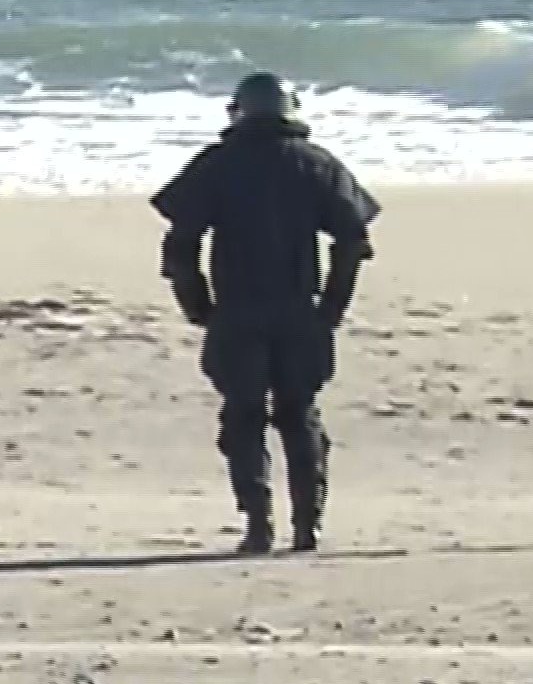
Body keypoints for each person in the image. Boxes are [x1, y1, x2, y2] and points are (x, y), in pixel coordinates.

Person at [151, 72, 382, 555]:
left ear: (239, 111)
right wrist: (332, 309)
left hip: (236, 313)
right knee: (300, 414)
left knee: (243, 415)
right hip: (301, 312)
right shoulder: (318, 164)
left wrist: (197, 306)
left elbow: (180, 245)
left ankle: (258, 525)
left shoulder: (217, 165)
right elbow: (352, 241)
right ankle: (307, 527)